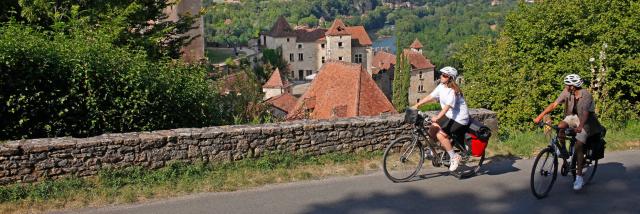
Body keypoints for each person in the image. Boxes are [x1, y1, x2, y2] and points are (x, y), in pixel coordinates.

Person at [533, 74, 603, 190]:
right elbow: (554, 104)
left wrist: (580, 126)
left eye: (567, 84)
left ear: (573, 86)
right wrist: (539, 117)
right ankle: (564, 152)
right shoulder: (567, 92)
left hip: (586, 121)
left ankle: (579, 177)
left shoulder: (586, 95)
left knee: (579, 145)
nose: (566, 86)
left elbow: (585, 113)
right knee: (560, 127)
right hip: (573, 117)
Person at [411, 66, 470, 171]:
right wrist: (417, 105)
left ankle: (454, 157)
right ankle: (430, 151)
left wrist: (437, 117)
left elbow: (447, 107)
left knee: (440, 134)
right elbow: (431, 96)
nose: (441, 76)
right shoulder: (441, 86)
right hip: (450, 116)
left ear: (450, 78)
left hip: (460, 118)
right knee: (432, 128)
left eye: (444, 75)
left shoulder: (453, 91)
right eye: (441, 74)